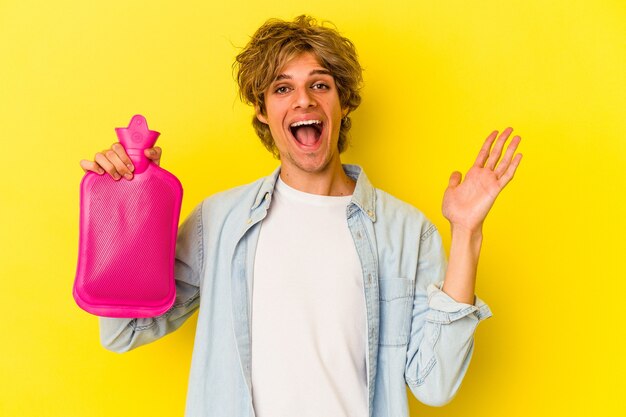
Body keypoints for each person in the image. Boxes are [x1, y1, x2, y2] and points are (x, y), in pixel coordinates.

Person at [80, 15, 522, 417]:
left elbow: (436, 385)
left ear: (343, 103)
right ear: (262, 109)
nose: (303, 101)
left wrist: (466, 233)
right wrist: (129, 206)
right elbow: (124, 332)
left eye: (320, 84)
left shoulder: (406, 231)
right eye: (282, 88)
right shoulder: (218, 221)